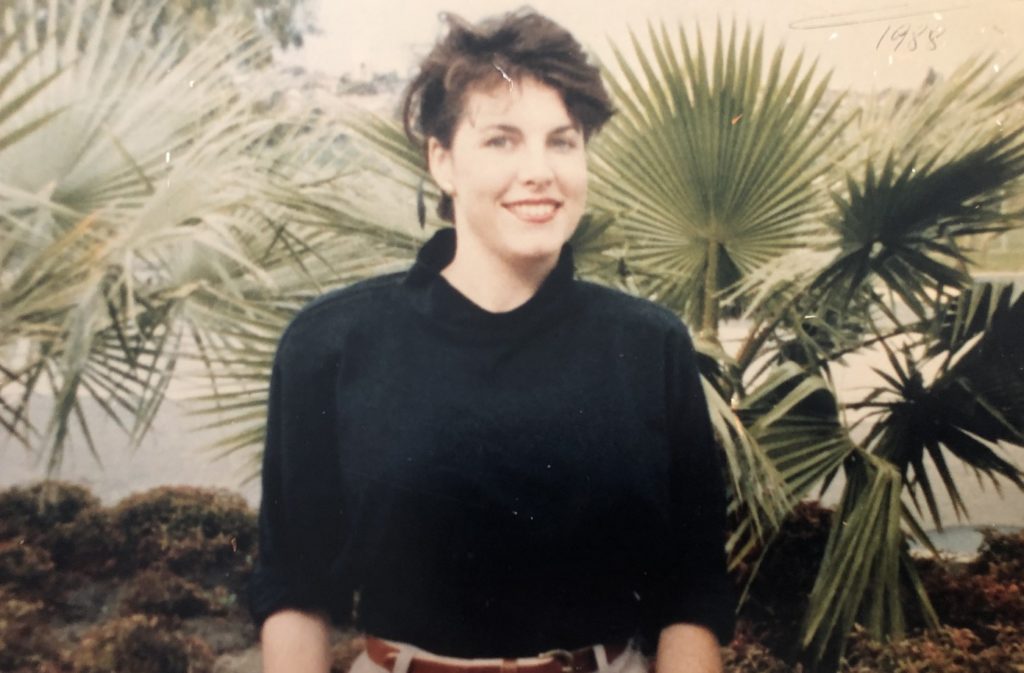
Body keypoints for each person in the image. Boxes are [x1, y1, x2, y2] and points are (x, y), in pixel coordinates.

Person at [249, 8, 735, 673]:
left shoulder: (649, 348)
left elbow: (692, 590)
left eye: (562, 142)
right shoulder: (332, 345)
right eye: (502, 141)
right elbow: (293, 586)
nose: (539, 171)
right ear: (442, 161)